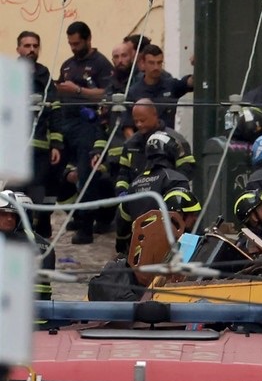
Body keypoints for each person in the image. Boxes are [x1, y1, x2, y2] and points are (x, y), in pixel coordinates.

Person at [54, 21, 114, 244]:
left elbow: (107, 94)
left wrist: (78, 90)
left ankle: (87, 226)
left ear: (88, 40)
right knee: (56, 171)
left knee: (86, 173)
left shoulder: (101, 64)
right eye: (70, 44)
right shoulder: (67, 65)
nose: (73, 48)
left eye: (77, 43)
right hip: (65, 122)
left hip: (88, 124)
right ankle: (77, 214)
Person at [118, 130, 200, 254]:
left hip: (138, 254)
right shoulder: (175, 180)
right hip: (167, 254)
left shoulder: (134, 184)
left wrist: (122, 247)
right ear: (171, 152)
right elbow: (186, 222)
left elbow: (122, 222)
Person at [12, 31, 60, 236]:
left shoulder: (44, 74)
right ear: (18, 49)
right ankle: (18, 230)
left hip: (40, 145)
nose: (31, 49)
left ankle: (40, 229)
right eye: (27, 46)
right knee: (16, 190)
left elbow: (55, 110)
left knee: (39, 188)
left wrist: (56, 144)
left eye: (35, 46)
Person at [116, 99, 195, 197]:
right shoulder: (130, 144)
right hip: (137, 199)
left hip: (167, 197)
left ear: (155, 115)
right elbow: (123, 174)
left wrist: (172, 187)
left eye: (142, 120)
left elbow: (187, 168)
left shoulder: (175, 140)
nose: (139, 124)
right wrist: (122, 192)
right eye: (136, 121)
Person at [0, 191, 54, 305]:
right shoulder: (43, 242)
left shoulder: (16, 244)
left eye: (13, 215)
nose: (9, 219)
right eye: (4, 214)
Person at [125, 44, 194, 129]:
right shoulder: (133, 92)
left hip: (167, 136)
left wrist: (198, 63)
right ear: (143, 63)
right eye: (151, 63)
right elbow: (127, 127)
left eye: (159, 63)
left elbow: (192, 82)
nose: (156, 67)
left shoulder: (171, 85)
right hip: (143, 136)